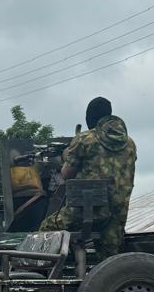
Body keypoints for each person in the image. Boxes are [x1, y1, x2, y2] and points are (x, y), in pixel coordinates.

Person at [39, 96, 137, 257]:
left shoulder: (85, 139)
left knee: (46, 228)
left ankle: (46, 273)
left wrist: (66, 155)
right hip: (116, 216)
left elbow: (65, 174)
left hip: (85, 213)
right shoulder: (130, 143)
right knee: (110, 261)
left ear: (90, 117)